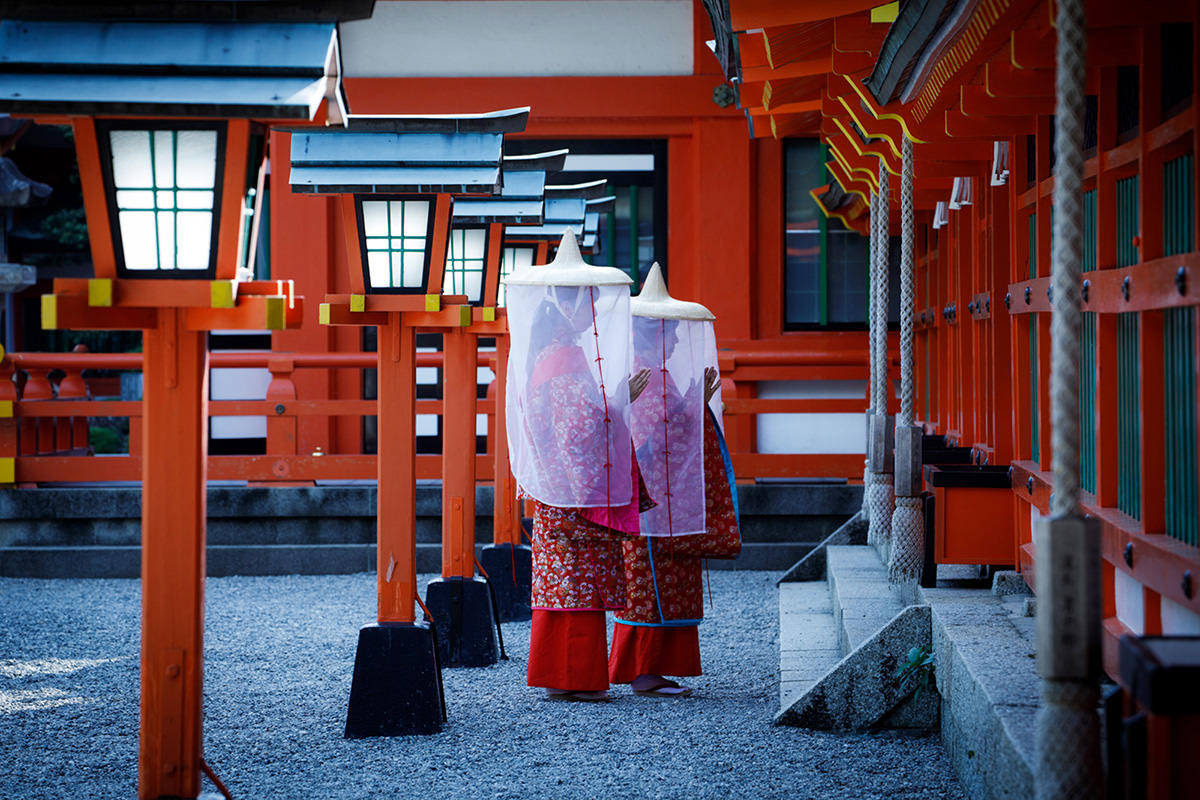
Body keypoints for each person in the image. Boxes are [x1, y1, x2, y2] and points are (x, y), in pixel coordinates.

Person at [502, 232, 649, 701]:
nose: (592, 311)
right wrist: (620, 406)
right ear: (570, 304)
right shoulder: (565, 355)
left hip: (554, 485)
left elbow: (578, 416)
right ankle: (575, 677)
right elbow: (580, 427)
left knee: (562, 582)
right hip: (572, 487)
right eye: (587, 301)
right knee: (576, 586)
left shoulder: (548, 351)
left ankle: (564, 676)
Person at [608, 264, 741, 697]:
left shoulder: (656, 376)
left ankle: (656, 668)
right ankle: (645, 671)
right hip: (650, 506)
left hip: (665, 504)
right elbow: (649, 441)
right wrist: (690, 407)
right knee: (648, 586)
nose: (680, 340)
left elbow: (668, 432)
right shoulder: (643, 378)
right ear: (654, 335)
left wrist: (691, 405)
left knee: (663, 583)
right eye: (673, 333)